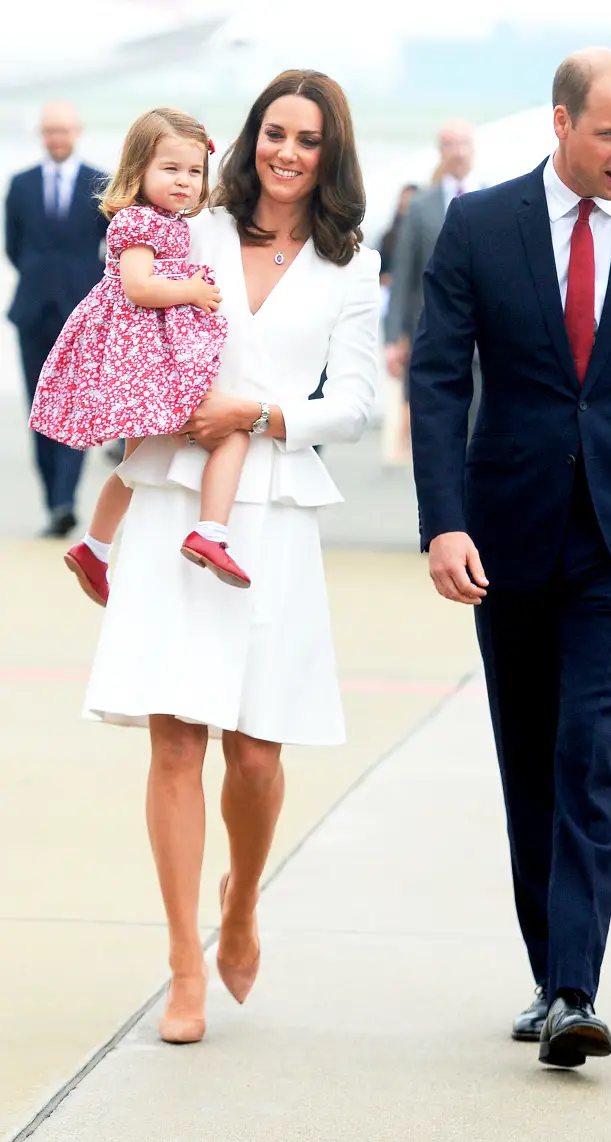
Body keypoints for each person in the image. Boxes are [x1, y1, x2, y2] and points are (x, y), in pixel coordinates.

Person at [408, 48, 611, 1068]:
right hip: (505, 535)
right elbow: (434, 380)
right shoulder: (479, 223)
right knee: (529, 761)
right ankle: (551, 968)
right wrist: (444, 520)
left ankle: (573, 987)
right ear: (560, 124)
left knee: (587, 752)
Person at [81, 69, 380, 1045]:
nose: (287, 153)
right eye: (274, 133)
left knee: (255, 753)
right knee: (176, 740)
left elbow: (359, 403)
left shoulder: (350, 265)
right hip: (174, 498)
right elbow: (123, 301)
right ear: (250, 138)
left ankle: (242, 898)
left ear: (330, 156)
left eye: (308, 140)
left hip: (274, 504)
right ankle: (181, 966)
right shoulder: (193, 227)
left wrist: (258, 412)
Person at [29, 108, 240, 607]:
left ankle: (96, 548)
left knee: (139, 459)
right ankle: (203, 531)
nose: (184, 182)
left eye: (194, 172)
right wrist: (190, 289)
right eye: (170, 170)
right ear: (138, 169)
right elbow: (139, 287)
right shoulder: (138, 220)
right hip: (137, 354)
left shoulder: (166, 220)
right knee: (196, 437)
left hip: (149, 349)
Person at [4, 102, 109, 538]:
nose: (57, 138)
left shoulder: (98, 183)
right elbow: (13, 246)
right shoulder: (21, 185)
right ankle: (54, 503)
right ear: (41, 134)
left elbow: (113, 247)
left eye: (63, 130)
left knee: (75, 409)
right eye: (50, 131)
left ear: (77, 131)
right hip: (32, 312)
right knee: (39, 409)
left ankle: (66, 498)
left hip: (80, 315)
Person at [384, 120, 477, 458]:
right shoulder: (421, 207)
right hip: (433, 334)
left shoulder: (493, 197)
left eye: (464, 143)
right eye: (450, 144)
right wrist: (393, 338)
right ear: (441, 152)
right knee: (438, 435)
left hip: (485, 340)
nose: (459, 152)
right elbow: (403, 274)